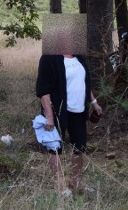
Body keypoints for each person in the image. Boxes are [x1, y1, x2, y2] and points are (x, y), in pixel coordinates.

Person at [36, 53, 102, 196]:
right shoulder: (49, 58)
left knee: (80, 146)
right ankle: (60, 186)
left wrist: (94, 102)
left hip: (78, 110)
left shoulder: (79, 57)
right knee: (55, 147)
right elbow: (43, 90)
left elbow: (85, 83)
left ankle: (76, 182)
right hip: (58, 111)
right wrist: (49, 117)